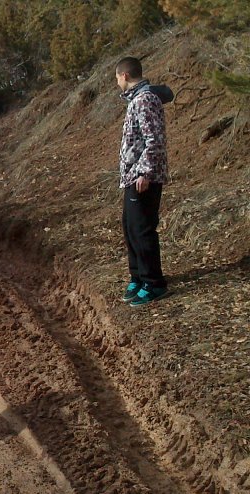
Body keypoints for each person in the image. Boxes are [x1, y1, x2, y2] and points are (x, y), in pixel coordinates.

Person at [115, 56, 170, 307]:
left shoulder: (145, 100)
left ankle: (154, 283)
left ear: (124, 76)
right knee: (130, 227)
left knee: (142, 229)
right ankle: (138, 277)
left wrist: (144, 173)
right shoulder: (136, 99)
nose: (117, 83)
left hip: (143, 177)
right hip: (132, 177)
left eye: (117, 78)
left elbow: (154, 140)